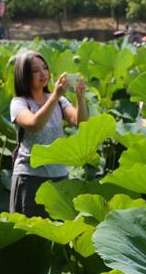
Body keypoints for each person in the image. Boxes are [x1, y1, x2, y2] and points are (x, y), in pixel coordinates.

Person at [9, 50, 87, 216]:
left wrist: (80, 97)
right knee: (30, 236)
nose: (43, 73)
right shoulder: (19, 103)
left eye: (44, 68)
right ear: (23, 75)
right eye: (36, 70)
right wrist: (55, 95)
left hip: (60, 175)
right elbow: (34, 125)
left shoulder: (59, 100)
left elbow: (80, 122)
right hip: (30, 177)